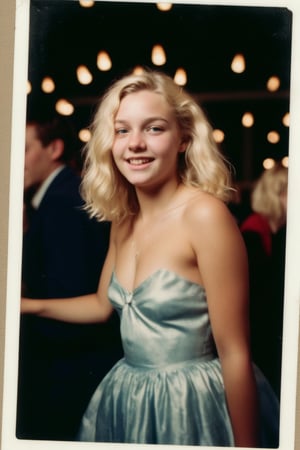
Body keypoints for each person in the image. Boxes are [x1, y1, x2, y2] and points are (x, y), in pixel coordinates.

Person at [21, 70, 279, 447]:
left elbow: (236, 353)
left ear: (183, 139)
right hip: (127, 397)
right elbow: (100, 305)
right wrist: (22, 305)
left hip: (191, 404)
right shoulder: (122, 219)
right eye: (122, 130)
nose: (135, 144)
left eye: (154, 129)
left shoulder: (204, 216)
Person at [17, 114, 122, 440]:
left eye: (24, 149)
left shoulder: (62, 200)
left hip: (69, 363)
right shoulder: (52, 196)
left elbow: (71, 288)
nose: (15, 160)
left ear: (54, 149)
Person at [240, 163, 288, 397]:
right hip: (256, 343)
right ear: (276, 195)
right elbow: (261, 300)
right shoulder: (252, 234)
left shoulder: (278, 233)